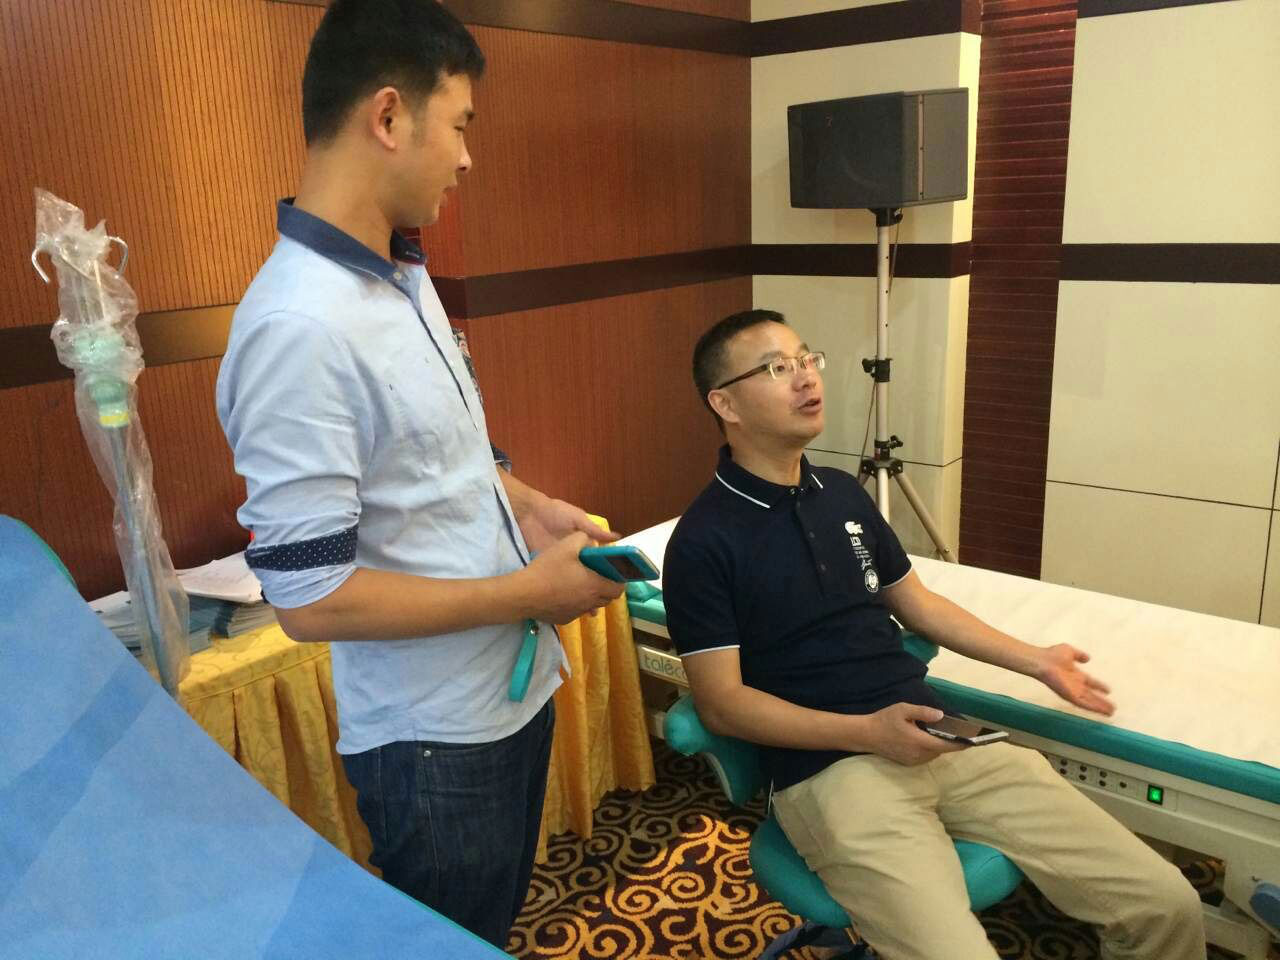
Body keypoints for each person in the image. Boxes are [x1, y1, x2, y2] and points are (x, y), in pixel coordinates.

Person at [215, 0, 623, 946]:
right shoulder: (298, 326)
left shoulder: (400, 272)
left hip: (502, 692)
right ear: (391, 117)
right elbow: (311, 600)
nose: (468, 159)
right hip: (433, 738)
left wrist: (531, 506)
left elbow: (443, 458)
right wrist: (528, 590)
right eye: (461, 125)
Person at [661, 309, 1206, 960]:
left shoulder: (842, 495)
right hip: (833, 774)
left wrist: (1037, 661)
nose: (806, 378)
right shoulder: (704, 541)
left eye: (807, 359)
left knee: (1165, 902)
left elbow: (917, 604)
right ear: (725, 404)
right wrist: (869, 733)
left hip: (943, 738)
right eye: (778, 368)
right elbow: (722, 706)